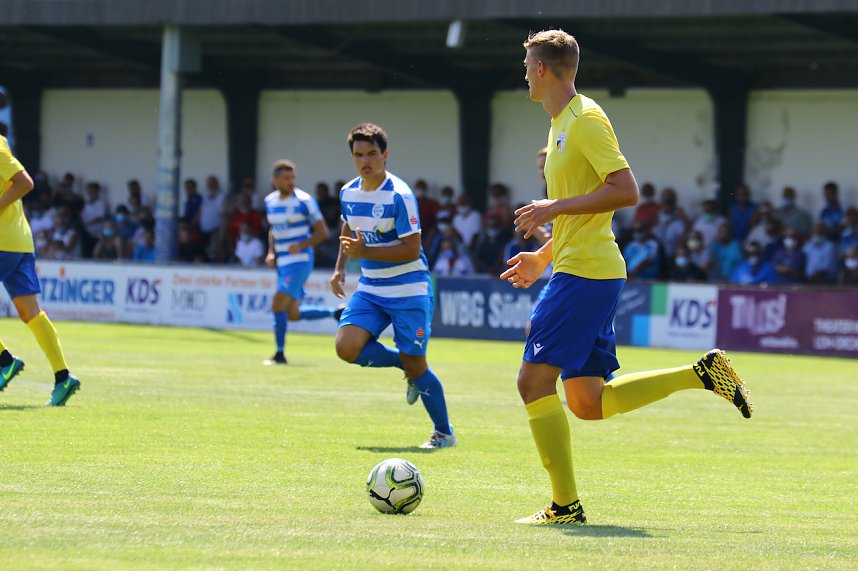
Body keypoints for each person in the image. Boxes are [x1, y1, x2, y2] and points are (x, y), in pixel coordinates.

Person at [500, 29, 752, 525]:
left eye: (528, 64)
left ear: (545, 69)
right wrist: (544, 255)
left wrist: (553, 207)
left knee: (532, 382)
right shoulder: (558, 127)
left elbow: (626, 190)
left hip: (587, 274)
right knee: (587, 403)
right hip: (583, 267)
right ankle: (701, 373)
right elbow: (584, 216)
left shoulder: (586, 119)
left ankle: (565, 505)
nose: (524, 72)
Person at [330, 123, 455, 449]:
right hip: (372, 288)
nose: (365, 160)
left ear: (385, 154)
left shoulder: (400, 195)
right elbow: (348, 227)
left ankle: (444, 433)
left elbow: (412, 249)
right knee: (346, 347)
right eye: (358, 155)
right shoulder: (348, 192)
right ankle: (405, 363)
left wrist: (364, 252)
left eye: (372, 153)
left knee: (419, 365)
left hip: (409, 289)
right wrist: (340, 268)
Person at [0, 133, 81, 406]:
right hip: (19, 242)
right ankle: (63, 376)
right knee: (30, 313)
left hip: (2, 242)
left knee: (30, 312)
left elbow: (24, 182)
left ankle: (4, 362)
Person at [263, 159, 342, 365]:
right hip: (283, 263)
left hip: (299, 261)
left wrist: (302, 244)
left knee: (277, 303)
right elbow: (274, 229)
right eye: (286, 178)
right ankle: (334, 313)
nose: (291, 182)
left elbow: (322, 232)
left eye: (293, 178)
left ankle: (279, 355)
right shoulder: (270, 201)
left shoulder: (304, 201)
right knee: (292, 313)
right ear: (275, 180)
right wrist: (271, 252)